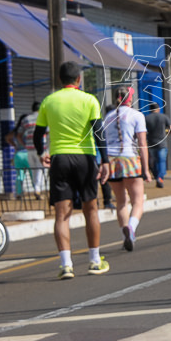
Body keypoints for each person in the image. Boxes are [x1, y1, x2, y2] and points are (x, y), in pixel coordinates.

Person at [33, 61, 111, 279]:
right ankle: (95, 261)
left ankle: (66, 265)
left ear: (60, 80)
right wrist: (105, 161)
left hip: (59, 159)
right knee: (91, 209)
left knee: (61, 215)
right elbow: (99, 132)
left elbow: (38, 135)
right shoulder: (89, 100)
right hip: (85, 159)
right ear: (79, 79)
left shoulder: (49, 101)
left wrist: (41, 153)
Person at [102, 86, 151, 252]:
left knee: (121, 201)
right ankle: (131, 228)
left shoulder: (108, 117)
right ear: (130, 98)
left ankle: (125, 237)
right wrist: (146, 169)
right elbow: (142, 144)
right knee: (138, 200)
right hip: (129, 159)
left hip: (111, 161)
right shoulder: (137, 115)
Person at [11, 101, 47, 199]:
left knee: (32, 170)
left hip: (29, 149)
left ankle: (21, 192)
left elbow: (18, 135)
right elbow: (47, 132)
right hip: (40, 148)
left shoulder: (26, 119)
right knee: (39, 169)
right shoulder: (43, 118)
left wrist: (24, 145)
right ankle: (37, 189)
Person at [144, 102, 171, 189]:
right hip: (162, 143)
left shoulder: (146, 118)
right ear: (158, 109)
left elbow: (143, 131)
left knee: (154, 161)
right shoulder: (164, 117)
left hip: (151, 143)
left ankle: (156, 176)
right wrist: (167, 134)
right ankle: (160, 178)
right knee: (161, 161)